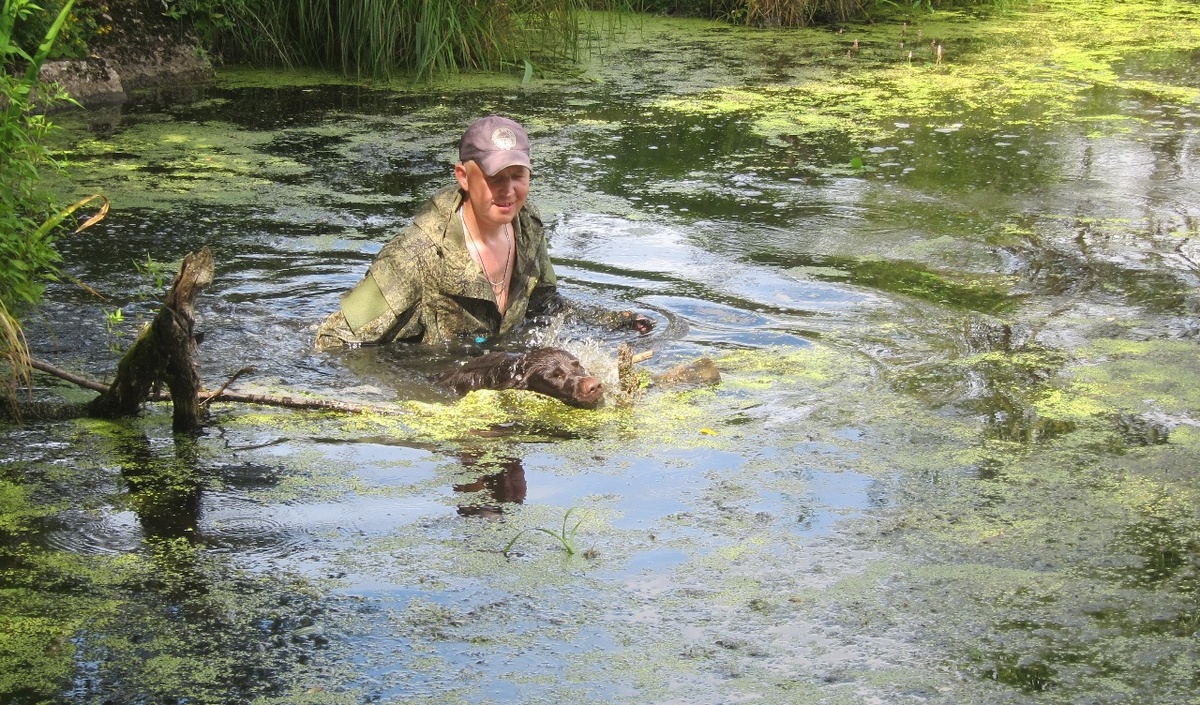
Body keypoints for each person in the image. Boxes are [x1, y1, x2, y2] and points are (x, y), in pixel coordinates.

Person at [315, 115, 559, 350]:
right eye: (494, 178)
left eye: (518, 176)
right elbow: (333, 340)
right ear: (463, 177)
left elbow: (546, 306)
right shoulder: (416, 255)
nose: (508, 191)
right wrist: (400, 382)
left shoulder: (528, 227)